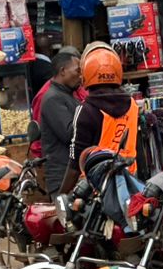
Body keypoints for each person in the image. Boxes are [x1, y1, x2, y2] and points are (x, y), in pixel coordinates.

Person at [62, 45, 138, 192]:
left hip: (94, 191)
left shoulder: (86, 110)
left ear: (86, 76)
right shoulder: (133, 106)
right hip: (129, 185)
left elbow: (74, 164)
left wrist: (61, 197)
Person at [38, 52, 83, 195]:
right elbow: (70, 133)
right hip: (62, 178)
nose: (81, 76)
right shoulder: (53, 99)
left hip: (72, 174)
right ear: (63, 71)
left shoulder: (67, 96)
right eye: (78, 70)